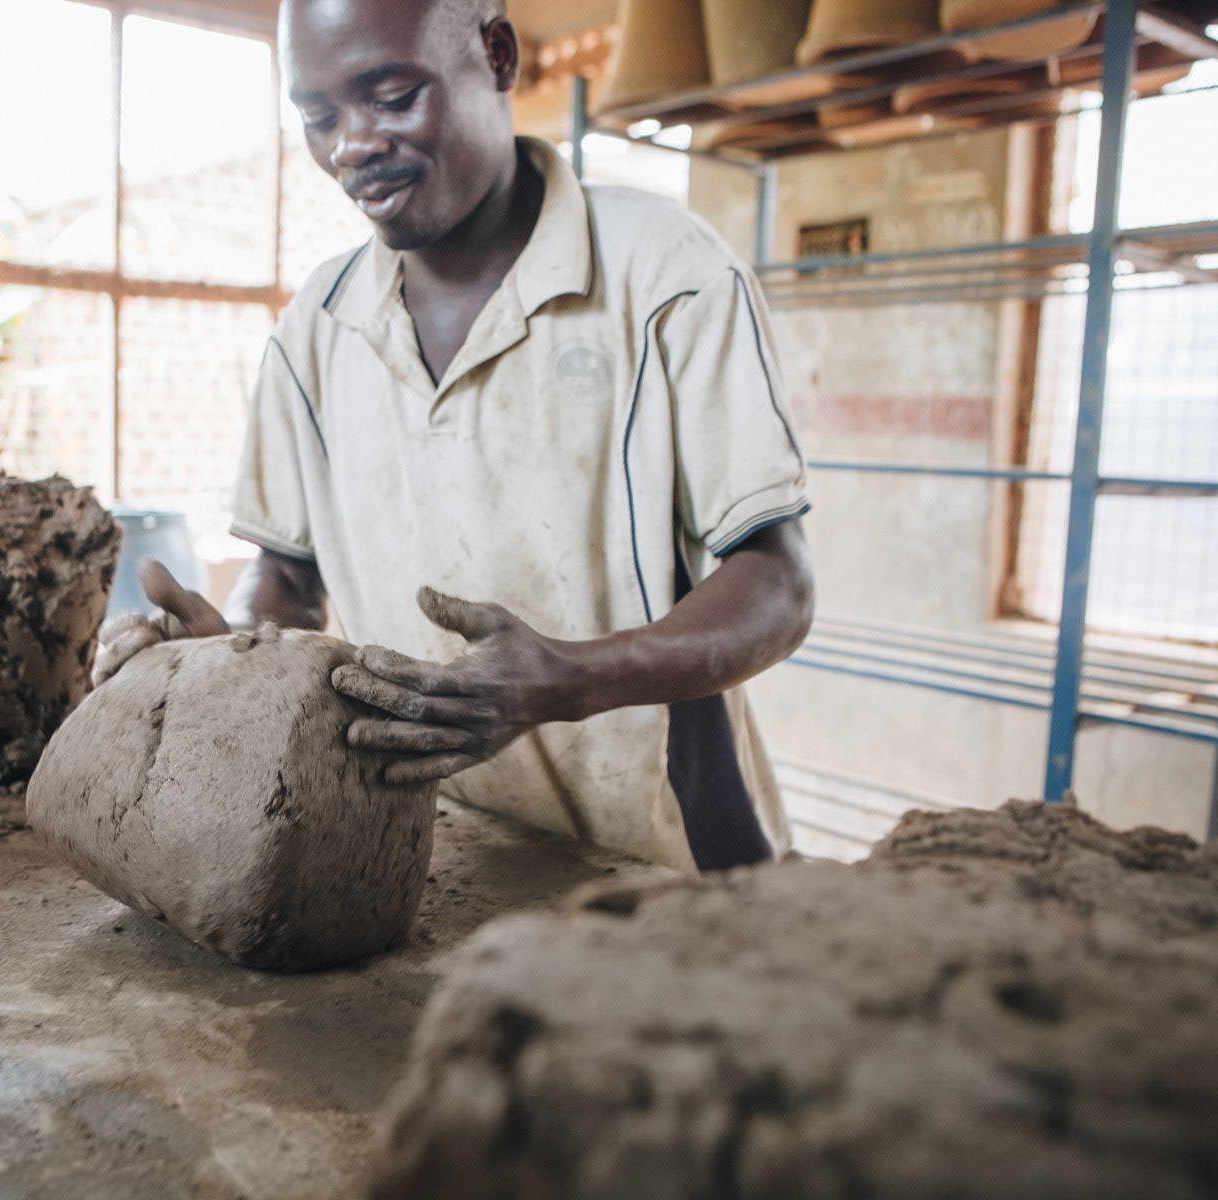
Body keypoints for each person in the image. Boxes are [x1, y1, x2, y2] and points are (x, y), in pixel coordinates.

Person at [96, 0, 815, 874]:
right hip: (439, 853)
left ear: (497, 55)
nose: (352, 144)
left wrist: (571, 677)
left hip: (663, 855)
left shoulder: (667, 275)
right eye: (319, 117)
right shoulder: (317, 330)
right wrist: (233, 650)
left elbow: (776, 581)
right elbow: (287, 575)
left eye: (392, 96)